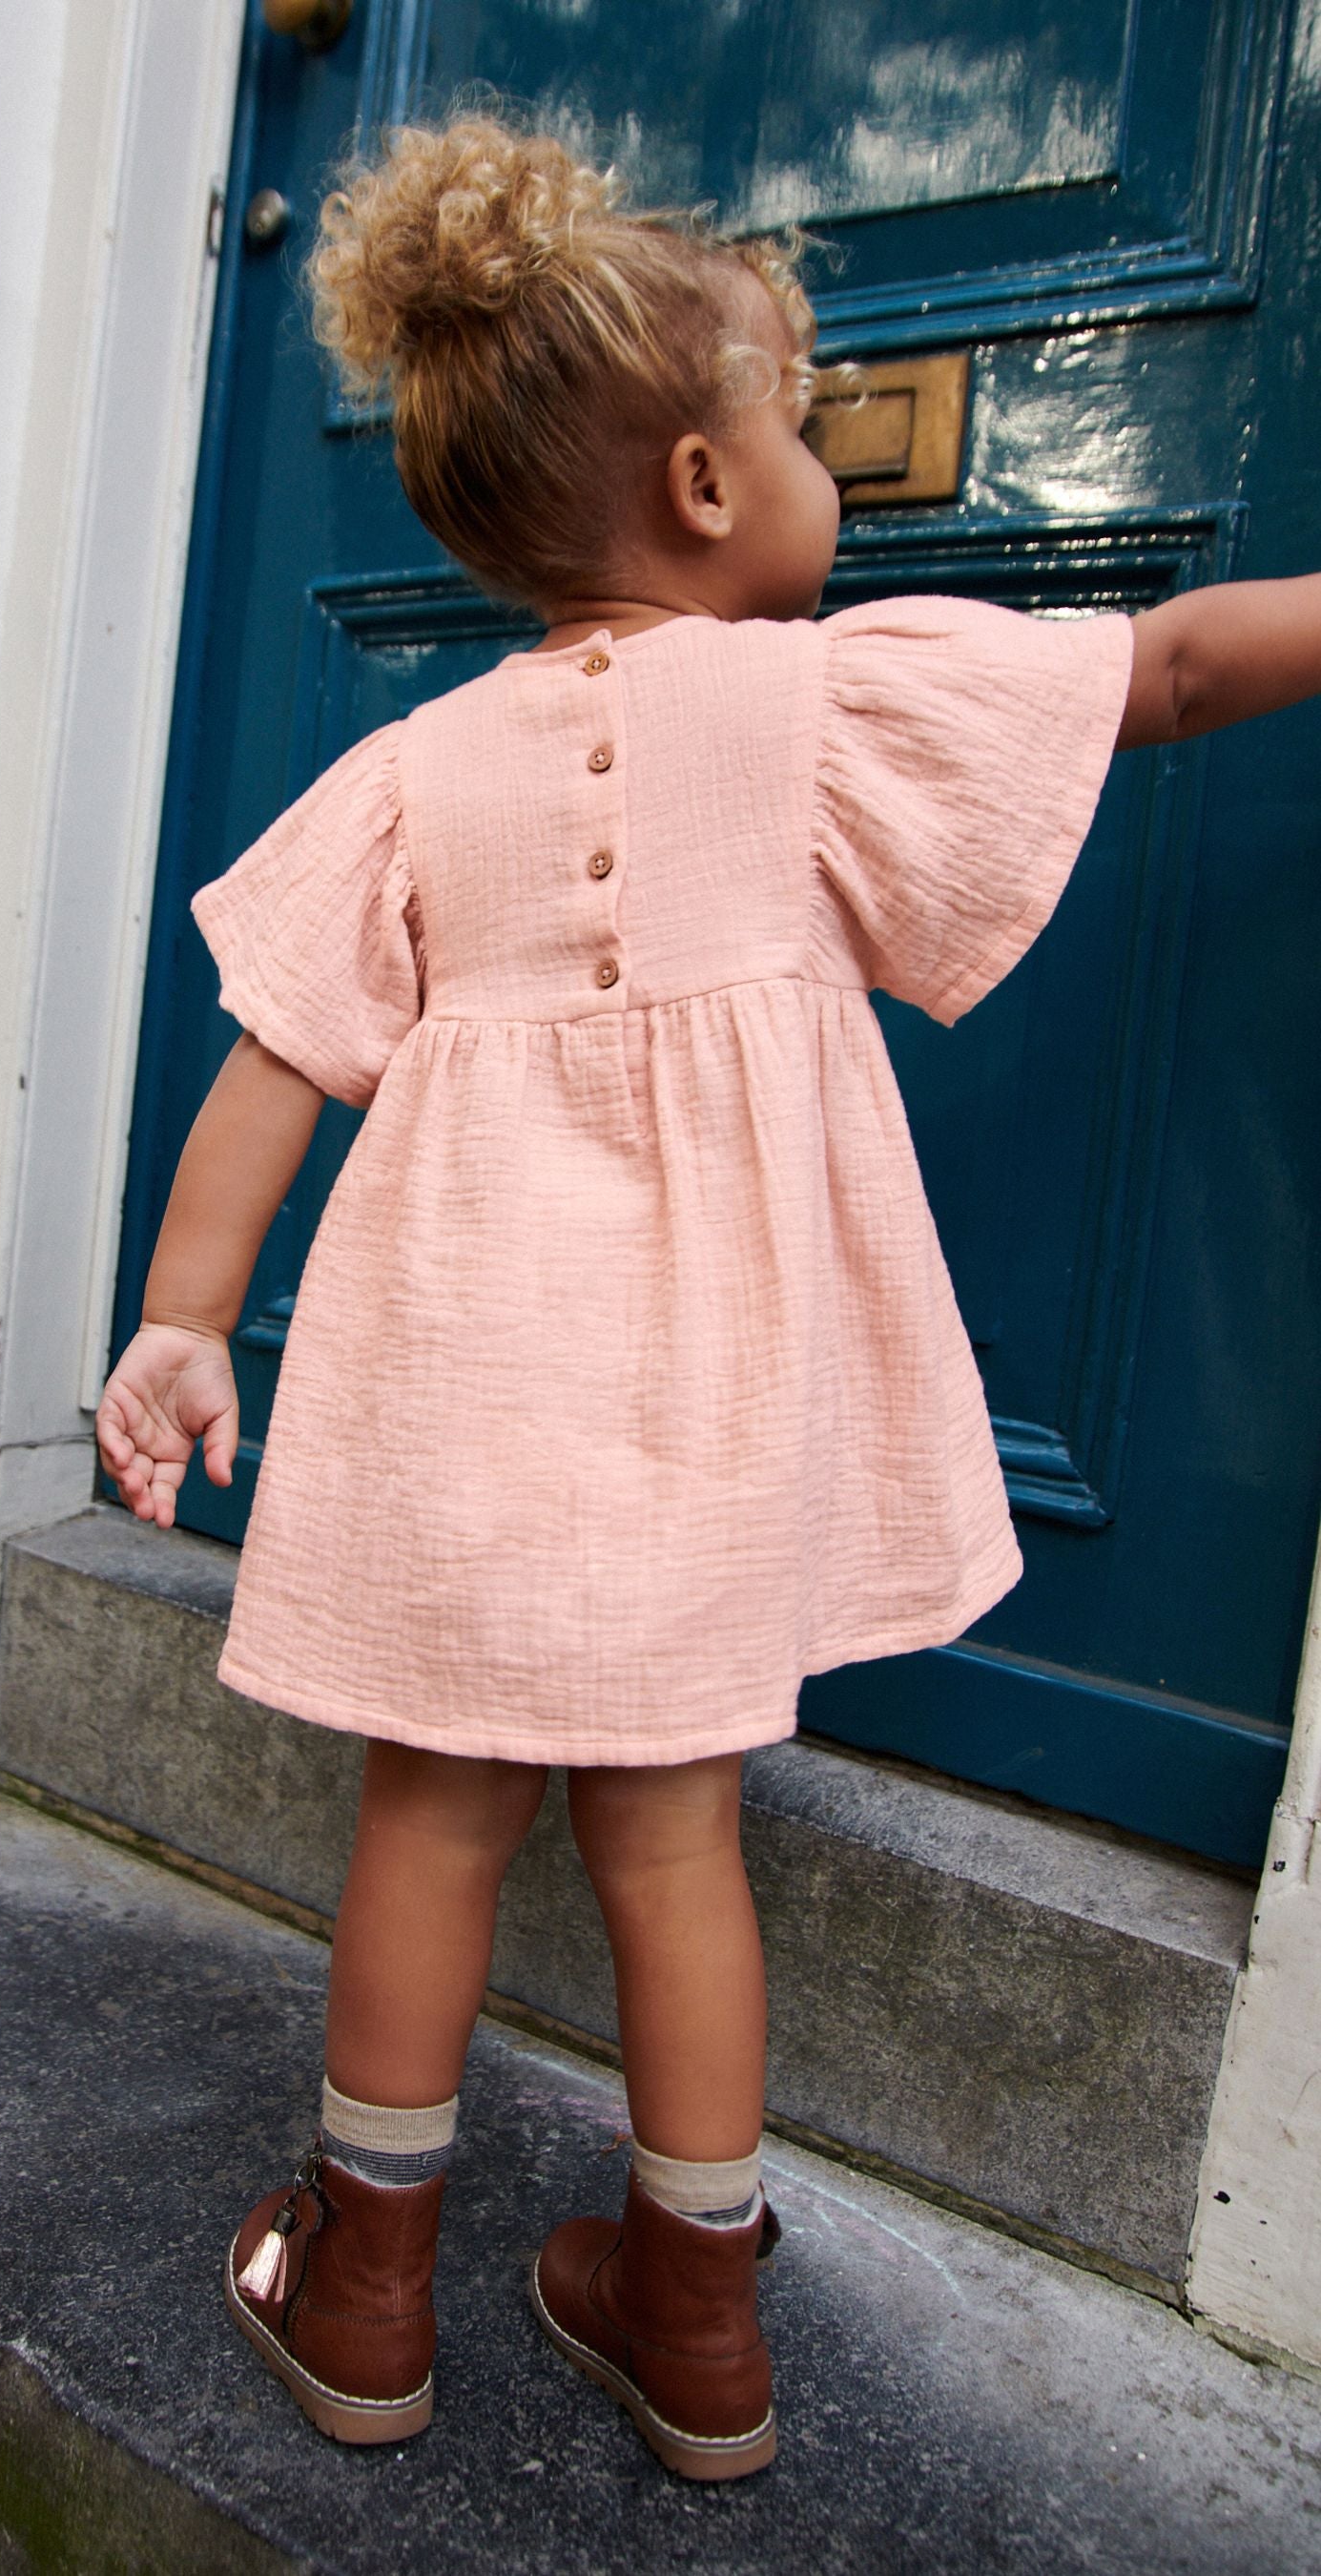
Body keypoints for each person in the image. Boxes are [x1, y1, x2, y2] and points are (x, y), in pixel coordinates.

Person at [94, 110, 1321, 2483]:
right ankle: (696, 2322)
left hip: (462, 1390)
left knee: (430, 1824)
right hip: (701, 1414)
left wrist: (178, 1322)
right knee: (673, 1843)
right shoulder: (827, 711)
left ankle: (361, 2284)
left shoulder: (411, 768)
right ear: (697, 484)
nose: (820, 458)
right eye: (798, 417)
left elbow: (276, 1069)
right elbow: (1161, 674)